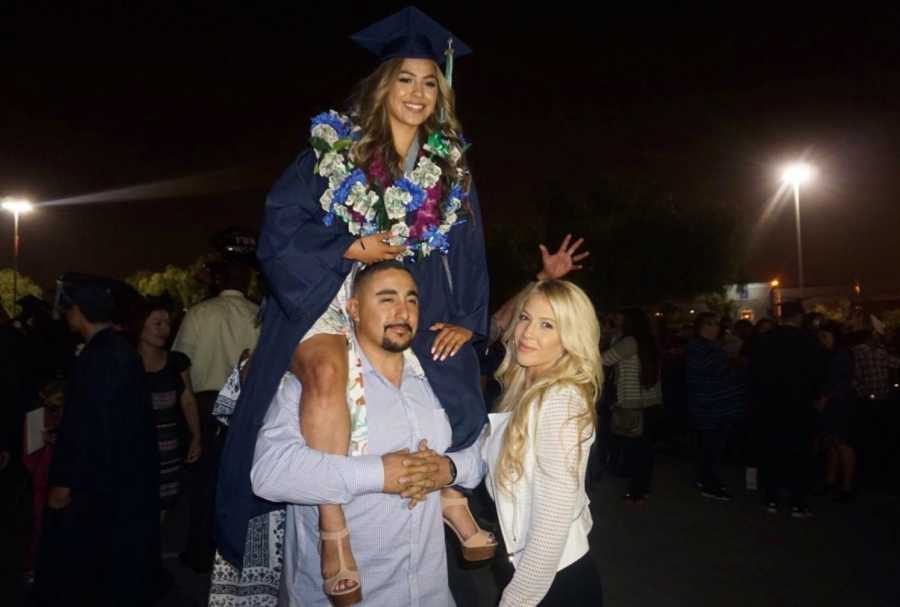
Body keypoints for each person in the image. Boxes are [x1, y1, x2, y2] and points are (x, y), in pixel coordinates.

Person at [214, 7, 492, 604]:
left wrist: (468, 319)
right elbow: (281, 223)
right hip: (328, 287)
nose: (417, 94)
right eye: (405, 79)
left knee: (448, 371)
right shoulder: (334, 146)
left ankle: (448, 491)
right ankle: (332, 526)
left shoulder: (450, 165)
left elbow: (468, 243)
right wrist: (348, 246)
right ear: (383, 83)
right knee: (324, 373)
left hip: (403, 296)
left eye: (428, 82)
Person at [251, 261, 485, 606]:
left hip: (428, 594)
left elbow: (481, 451)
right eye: (386, 299)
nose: (402, 311)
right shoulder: (312, 384)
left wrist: (447, 470)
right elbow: (269, 474)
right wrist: (379, 474)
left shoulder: (434, 380)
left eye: (411, 300)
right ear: (354, 310)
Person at [32, 273, 160, 606]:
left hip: (99, 484)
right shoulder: (115, 350)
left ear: (81, 311)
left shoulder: (101, 356)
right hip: (119, 478)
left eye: (70, 308)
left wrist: (63, 482)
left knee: (88, 565)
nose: (65, 314)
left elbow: (92, 426)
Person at [484, 279, 603, 606]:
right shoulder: (522, 393)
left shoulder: (561, 400)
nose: (527, 333)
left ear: (570, 338)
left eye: (547, 325)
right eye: (525, 318)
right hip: (530, 571)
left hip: (552, 582)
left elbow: (552, 523)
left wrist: (515, 601)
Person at [173, 258, 259, 571]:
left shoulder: (199, 313)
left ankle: (199, 552)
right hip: (245, 408)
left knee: (202, 484)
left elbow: (180, 364)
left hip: (204, 406)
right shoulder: (257, 315)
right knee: (237, 483)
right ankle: (233, 552)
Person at [132, 297, 203, 519]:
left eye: (167, 323)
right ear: (140, 325)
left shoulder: (176, 361)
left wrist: (196, 437)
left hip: (168, 450)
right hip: (133, 447)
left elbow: (188, 400)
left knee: (162, 509)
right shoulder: (126, 361)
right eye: (157, 323)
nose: (165, 329)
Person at [602, 308, 663, 503]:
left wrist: (609, 336)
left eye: (619, 317)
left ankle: (637, 491)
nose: (615, 319)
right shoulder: (648, 340)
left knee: (635, 449)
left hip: (633, 402)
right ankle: (642, 488)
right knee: (644, 449)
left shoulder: (628, 342)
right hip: (651, 401)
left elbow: (604, 359)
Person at [686, 313, 745, 502]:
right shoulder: (701, 348)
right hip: (711, 407)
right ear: (704, 327)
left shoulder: (708, 347)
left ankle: (707, 479)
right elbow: (714, 372)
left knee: (712, 447)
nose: (717, 329)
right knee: (712, 447)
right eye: (712, 325)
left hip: (714, 405)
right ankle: (709, 482)